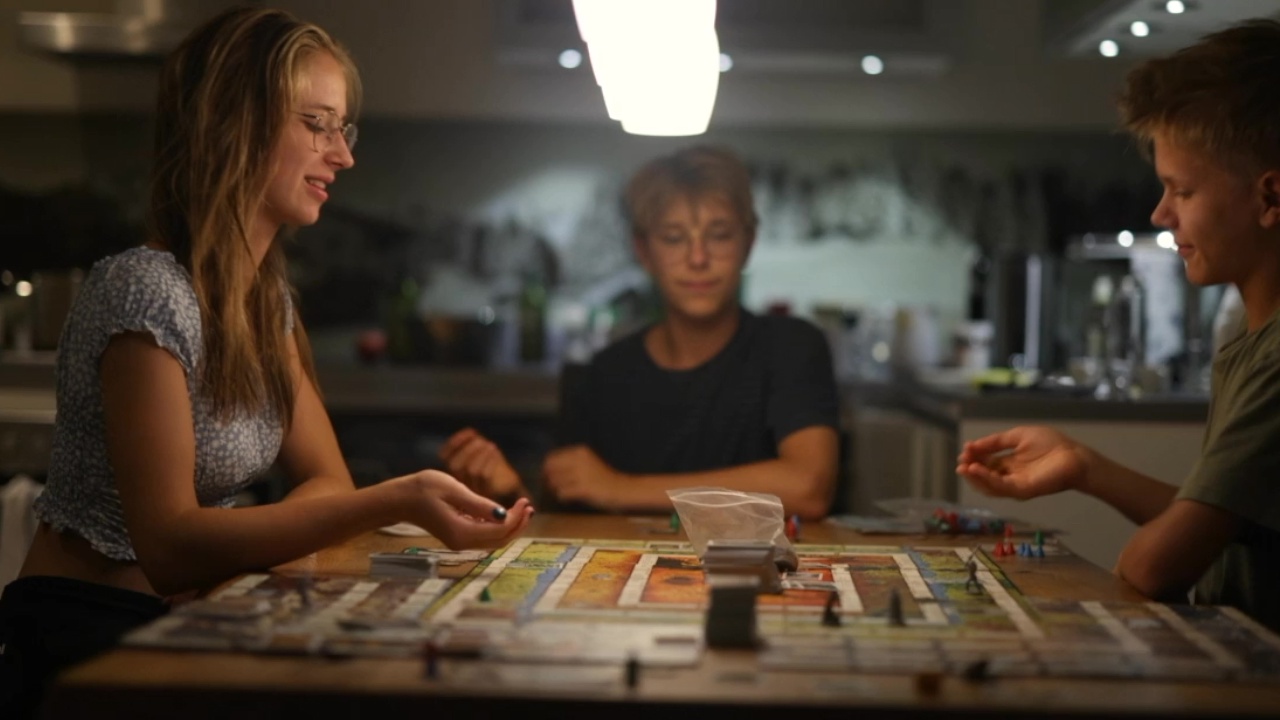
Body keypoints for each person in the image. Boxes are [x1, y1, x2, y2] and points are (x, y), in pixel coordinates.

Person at [0, 8, 532, 717]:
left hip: (190, 621)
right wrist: (398, 499)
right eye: (317, 124)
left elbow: (326, 480)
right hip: (84, 638)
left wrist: (231, 549)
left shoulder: (266, 301)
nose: (341, 156)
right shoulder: (146, 288)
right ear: (234, 124)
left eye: (343, 129)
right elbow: (169, 545)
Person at [957, 19, 1280, 632]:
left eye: (1181, 190)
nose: (1161, 214)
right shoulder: (1248, 341)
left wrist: (1145, 548)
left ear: (1270, 199)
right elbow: (1219, 521)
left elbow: (1153, 566)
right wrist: (1083, 466)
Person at [441, 146, 840, 520]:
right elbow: (566, 515)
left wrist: (622, 489)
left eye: (719, 235)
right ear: (644, 251)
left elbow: (807, 487)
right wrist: (509, 497)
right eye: (673, 237)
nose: (698, 258)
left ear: (748, 243)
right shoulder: (602, 375)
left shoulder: (791, 348)